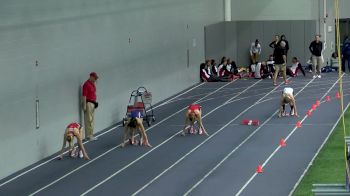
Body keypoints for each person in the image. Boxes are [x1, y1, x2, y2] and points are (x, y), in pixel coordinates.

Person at [82, 72, 99, 141]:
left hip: (92, 103)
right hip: (88, 103)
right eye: (95, 78)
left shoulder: (92, 84)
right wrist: (84, 106)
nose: (95, 80)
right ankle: (89, 136)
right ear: (91, 77)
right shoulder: (86, 84)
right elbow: (84, 96)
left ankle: (90, 135)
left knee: (91, 120)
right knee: (89, 120)